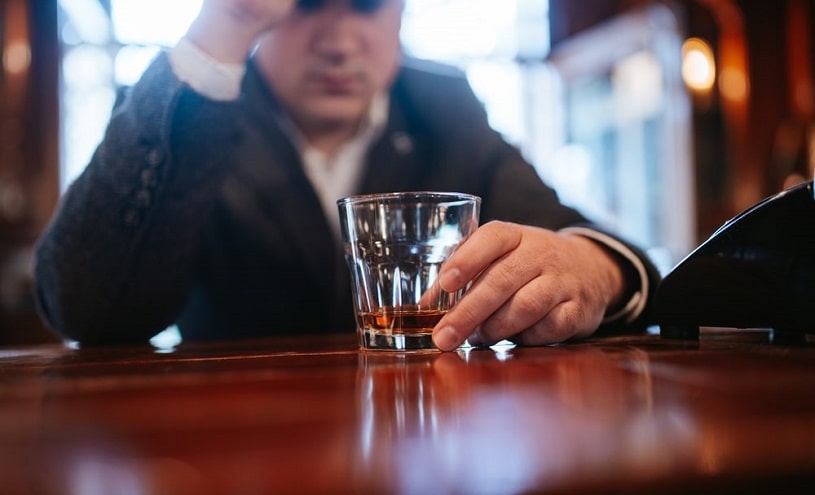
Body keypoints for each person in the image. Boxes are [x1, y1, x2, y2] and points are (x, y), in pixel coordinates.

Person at [33, 0, 661, 350]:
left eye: (365, 5)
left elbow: (602, 251)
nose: (338, 42)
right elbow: (87, 313)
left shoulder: (442, 106)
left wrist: (589, 268)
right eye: (306, 6)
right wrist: (224, 25)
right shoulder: (195, 108)